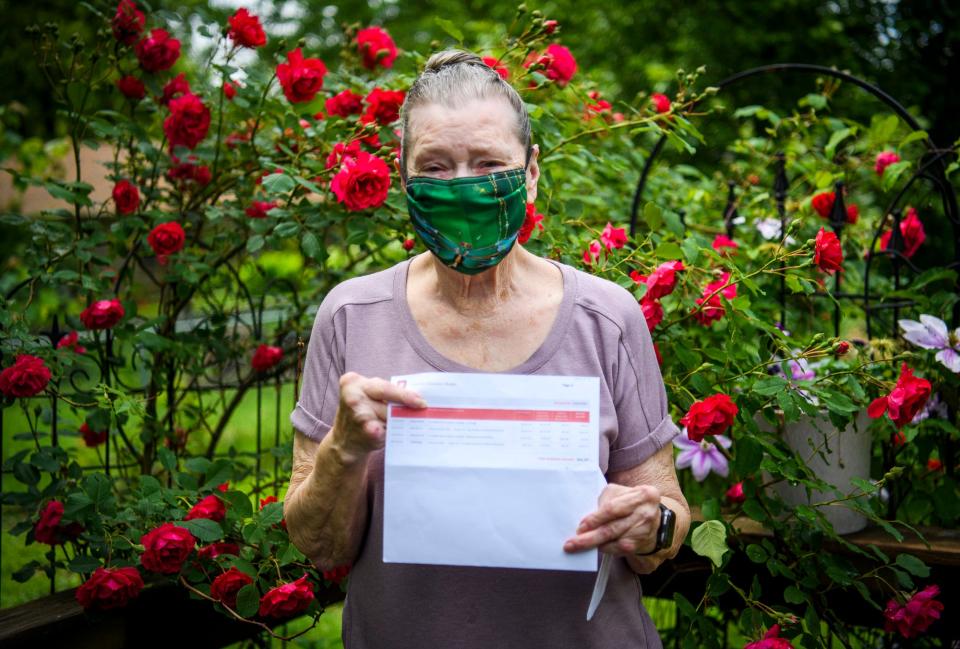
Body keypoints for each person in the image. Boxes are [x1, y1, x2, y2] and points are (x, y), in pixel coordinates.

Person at [284, 49, 690, 648]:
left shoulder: (606, 317)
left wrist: (648, 523)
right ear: (404, 178)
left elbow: (668, 526)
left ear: (530, 172)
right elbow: (319, 547)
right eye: (437, 167)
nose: (464, 186)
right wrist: (343, 448)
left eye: (487, 163)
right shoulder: (352, 315)